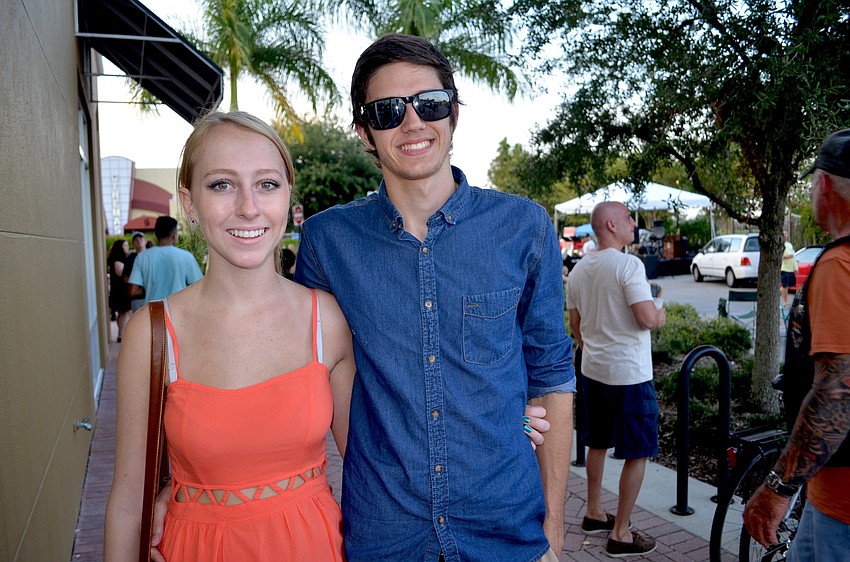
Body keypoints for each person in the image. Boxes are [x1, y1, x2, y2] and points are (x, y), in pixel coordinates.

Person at [294, 34, 575, 561]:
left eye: (430, 103)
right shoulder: (328, 243)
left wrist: (553, 529)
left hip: (507, 528)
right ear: (364, 132)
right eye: (386, 111)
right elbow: (318, 374)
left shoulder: (523, 227)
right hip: (385, 531)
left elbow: (551, 374)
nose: (412, 122)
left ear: (454, 114)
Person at [104, 111, 357, 560]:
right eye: (222, 184)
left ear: (287, 198)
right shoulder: (153, 335)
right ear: (190, 202)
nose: (248, 207)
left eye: (267, 184)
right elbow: (127, 504)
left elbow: (371, 467)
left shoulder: (327, 320)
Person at [743, 128, 850, 558]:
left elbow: (837, 395)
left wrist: (777, 487)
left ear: (824, 185)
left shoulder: (838, 265)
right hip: (825, 496)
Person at [566, 201, 666, 558]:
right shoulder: (628, 265)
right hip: (630, 375)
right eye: (628, 218)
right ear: (611, 224)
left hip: (593, 370)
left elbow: (576, 328)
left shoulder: (578, 271)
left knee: (596, 443)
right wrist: (659, 314)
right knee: (637, 451)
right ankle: (621, 533)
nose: (633, 224)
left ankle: (594, 512)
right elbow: (645, 318)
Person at [127, 215, 203, 302]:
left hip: (154, 310)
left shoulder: (142, 257)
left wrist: (150, 288)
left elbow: (133, 291)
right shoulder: (186, 257)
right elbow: (198, 287)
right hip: (178, 308)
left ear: (156, 235)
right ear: (174, 235)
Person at [107, 239, 132, 342]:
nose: (128, 247)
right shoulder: (118, 258)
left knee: (123, 313)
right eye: (125, 245)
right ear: (120, 247)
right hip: (121, 291)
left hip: (119, 290)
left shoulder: (117, 258)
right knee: (125, 311)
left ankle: (121, 333)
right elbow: (120, 272)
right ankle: (121, 334)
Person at [123, 231, 147, 312]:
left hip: (154, 295)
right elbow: (126, 278)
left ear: (145, 241)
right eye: (136, 239)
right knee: (140, 323)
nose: (139, 241)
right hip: (137, 298)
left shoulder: (153, 256)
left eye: (140, 238)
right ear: (133, 243)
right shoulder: (130, 259)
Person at [780, 229, 797, 308]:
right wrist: (788, 256)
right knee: (785, 286)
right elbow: (781, 256)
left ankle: (778, 292)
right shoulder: (780, 244)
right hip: (784, 268)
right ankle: (785, 302)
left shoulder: (789, 245)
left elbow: (793, 257)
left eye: (786, 233)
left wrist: (795, 267)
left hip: (790, 268)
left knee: (790, 285)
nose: (785, 235)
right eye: (784, 234)